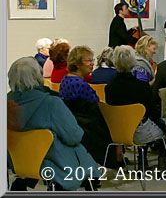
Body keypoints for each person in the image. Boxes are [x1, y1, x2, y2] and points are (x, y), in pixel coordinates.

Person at [7, 57, 100, 191]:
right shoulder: (51, 103)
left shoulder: (7, 103)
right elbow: (74, 136)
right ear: (37, 75)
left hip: (18, 162)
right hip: (54, 162)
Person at [105, 45, 166, 170]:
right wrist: (162, 126)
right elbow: (153, 114)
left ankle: (143, 162)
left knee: (143, 122)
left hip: (117, 133)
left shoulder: (109, 88)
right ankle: (161, 166)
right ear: (133, 62)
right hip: (139, 133)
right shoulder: (142, 87)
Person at [58, 46, 119, 168]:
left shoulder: (65, 80)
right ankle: (116, 158)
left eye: (92, 60)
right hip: (88, 127)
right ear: (77, 63)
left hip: (73, 124)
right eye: (88, 60)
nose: (92, 63)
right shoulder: (81, 85)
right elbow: (95, 103)